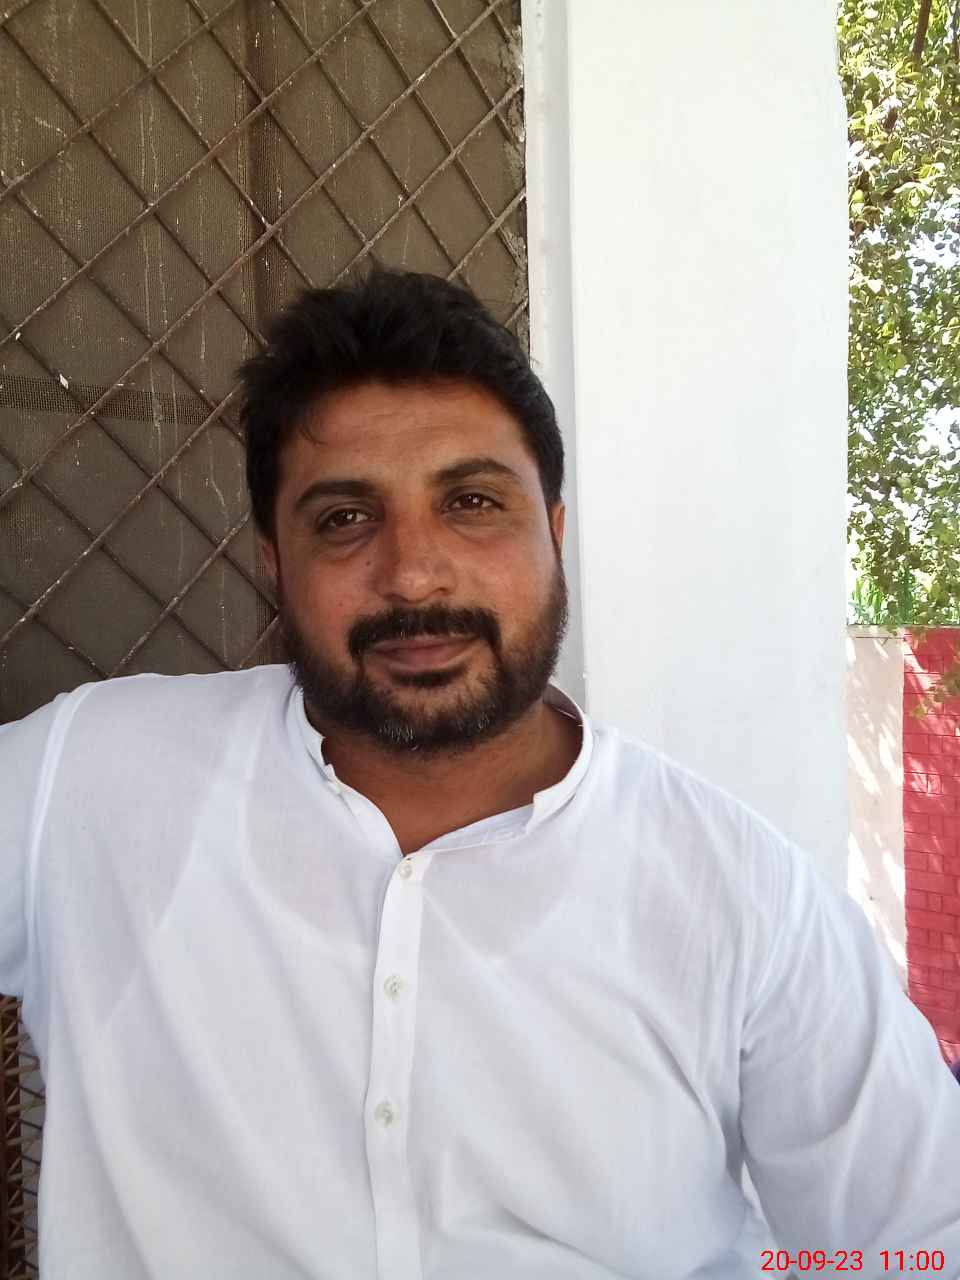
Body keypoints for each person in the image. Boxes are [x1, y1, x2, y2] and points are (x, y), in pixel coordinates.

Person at [1, 269, 958, 1279]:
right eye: (344, 518)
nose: (414, 573)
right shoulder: (92, 780)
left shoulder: (742, 895)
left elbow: (914, 1244)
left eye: (471, 502)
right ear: (275, 564)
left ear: (554, 533)